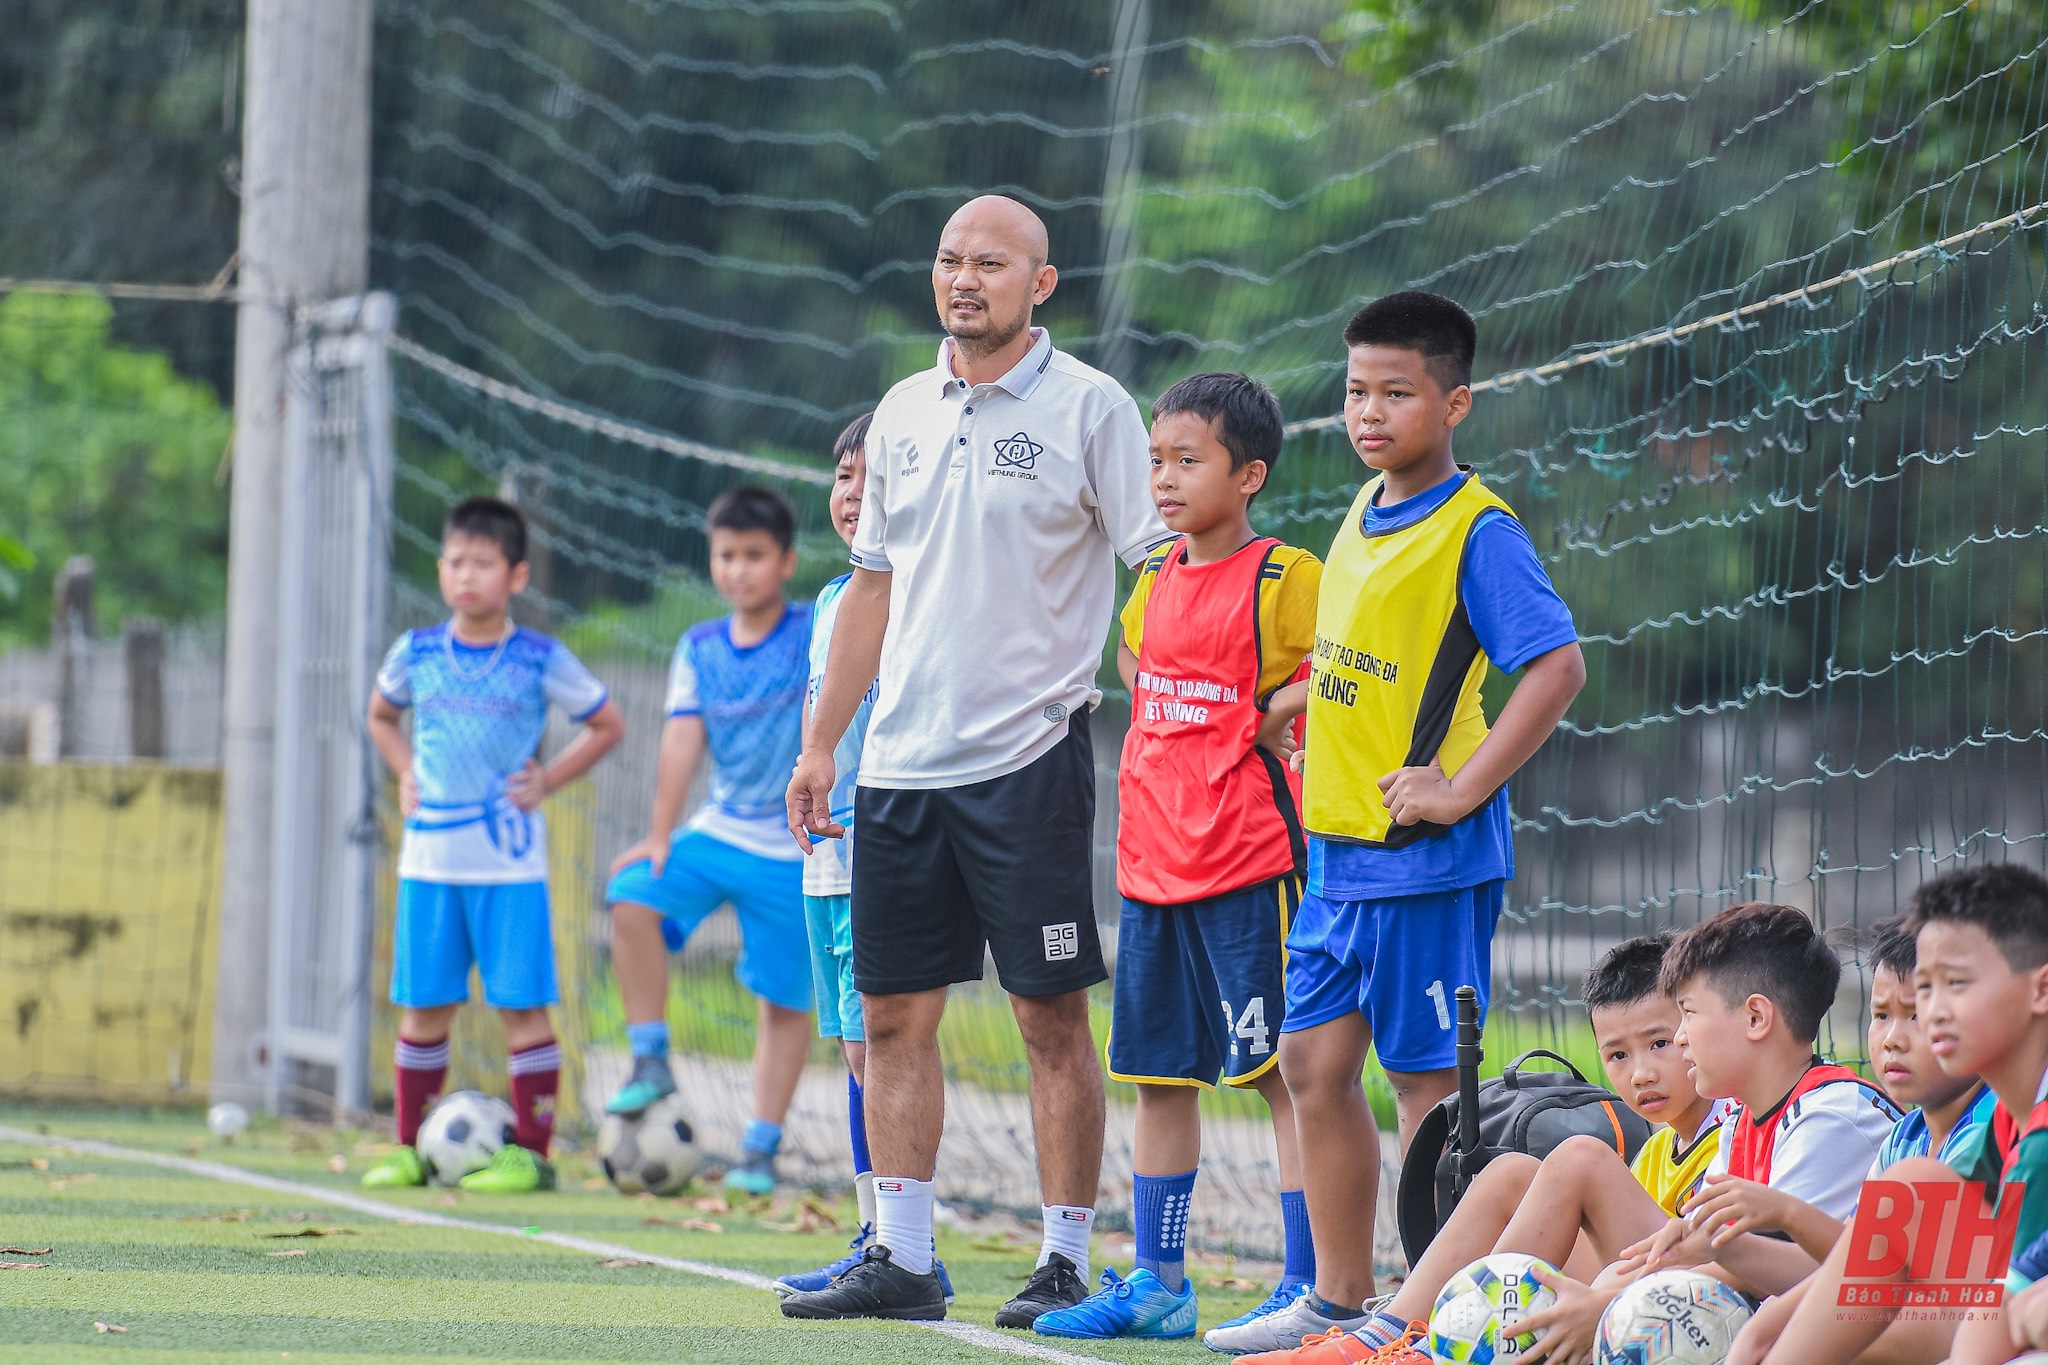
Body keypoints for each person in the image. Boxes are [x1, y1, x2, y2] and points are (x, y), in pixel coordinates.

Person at [781, 194, 1171, 1327]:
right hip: (895, 770)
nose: (965, 279)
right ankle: (901, 1254)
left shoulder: (1092, 408)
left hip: (1030, 761)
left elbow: (1160, 573)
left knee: (1048, 1017)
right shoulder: (901, 410)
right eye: (950, 260)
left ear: (1039, 283)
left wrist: (1179, 708)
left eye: (990, 263)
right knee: (891, 1016)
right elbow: (871, 584)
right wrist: (820, 747)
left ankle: (1062, 1257)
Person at [1210, 291, 1588, 1357]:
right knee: (1308, 1069)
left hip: (1423, 864)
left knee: (1426, 1087)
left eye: (1394, 392)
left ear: (1453, 401)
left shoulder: (1479, 528)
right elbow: (1363, 668)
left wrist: (1458, 786)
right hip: (1333, 859)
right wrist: (1302, 714)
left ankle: (1420, 1321)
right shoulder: (1361, 507)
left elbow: (1555, 667)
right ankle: (1334, 1299)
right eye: (1353, 391)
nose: (1368, 412)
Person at [1249, 901, 1900, 1364]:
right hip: (1717, 1295)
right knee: (1514, 1171)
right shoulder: (1742, 1113)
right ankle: (1397, 1339)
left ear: (1756, 1016)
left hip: (1758, 1320)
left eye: (1685, 1020)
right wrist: (1618, 1289)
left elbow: (1812, 1279)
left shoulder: (1829, 1116)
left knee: (1583, 1158)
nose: (1680, 1039)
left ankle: (1418, 1344)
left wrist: (1608, 1304)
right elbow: (1713, 1250)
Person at [1027, 373, 1319, 1342]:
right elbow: (1132, 661)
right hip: (1150, 870)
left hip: (1246, 866)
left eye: (1185, 460)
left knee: (1284, 1074)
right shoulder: (1151, 578)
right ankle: (1159, 1282)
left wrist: (1284, 709)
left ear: (1248, 475)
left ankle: (1307, 1281)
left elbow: (1337, 664)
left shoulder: (1286, 577)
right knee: (1158, 1077)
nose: (1161, 478)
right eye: (1154, 460)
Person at [1293, 933, 1731, 1365]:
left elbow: (1732, 1265)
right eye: (1617, 1056)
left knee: (1583, 1158)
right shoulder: (1657, 1150)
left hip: (1699, 1313)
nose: (1640, 1074)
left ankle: (1439, 1351)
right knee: (1510, 1172)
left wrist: (1602, 1295)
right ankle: (1388, 1338)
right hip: (1634, 1294)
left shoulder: (1735, 1127)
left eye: (1659, 1044)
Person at [361, 496, 624, 1194]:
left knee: (521, 1006)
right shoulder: (415, 651)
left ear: (515, 574)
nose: (465, 575)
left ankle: (531, 1155)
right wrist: (405, 769)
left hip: (509, 868)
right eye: (454, 561)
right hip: (429, 864)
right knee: (424, 1005)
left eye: (482, 562)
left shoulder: (539, 656)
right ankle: (411, 1147)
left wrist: (549, 777)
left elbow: (606, 723)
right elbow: (381, 715)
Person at [769, 417, 956, 1304]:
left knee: (879, 1047)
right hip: (826, 855)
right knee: (851, 1046)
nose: (853, 494)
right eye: (844, 477)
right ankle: (875, 1235)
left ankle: (906, 1241)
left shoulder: (916, 593)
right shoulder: (828, 601)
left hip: (886, 843)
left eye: (871, 479)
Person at [603, 485, 815, 1197]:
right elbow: (680, 741)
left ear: (784, 561)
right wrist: (661, 834)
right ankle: (650, 1059)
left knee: (785, 1002)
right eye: (726, 555)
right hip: (719, 829)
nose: (739, 570)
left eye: (754, 555)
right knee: (631, 896)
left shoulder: (816, 630)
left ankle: (760, 1147)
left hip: (794, 846)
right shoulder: (697, 648)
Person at [1759, 866, 2048, 1365]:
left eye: (1955, 984)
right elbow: (1861, 1261)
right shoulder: (1997, 1129)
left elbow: (1990, 1313)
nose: (1933, 1011)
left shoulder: (2033, 1138)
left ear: (2040, 991)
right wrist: (1760, 1335)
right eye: (1927, 989)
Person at [1728, 914, 1999, 1365]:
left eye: (1919, 1016)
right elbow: (1852, 1260)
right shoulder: (1901, 1139)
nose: (1893, 1039)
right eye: (1881, 1015)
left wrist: (1788, 1215)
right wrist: (1760, 1333)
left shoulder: (1998, 1120)